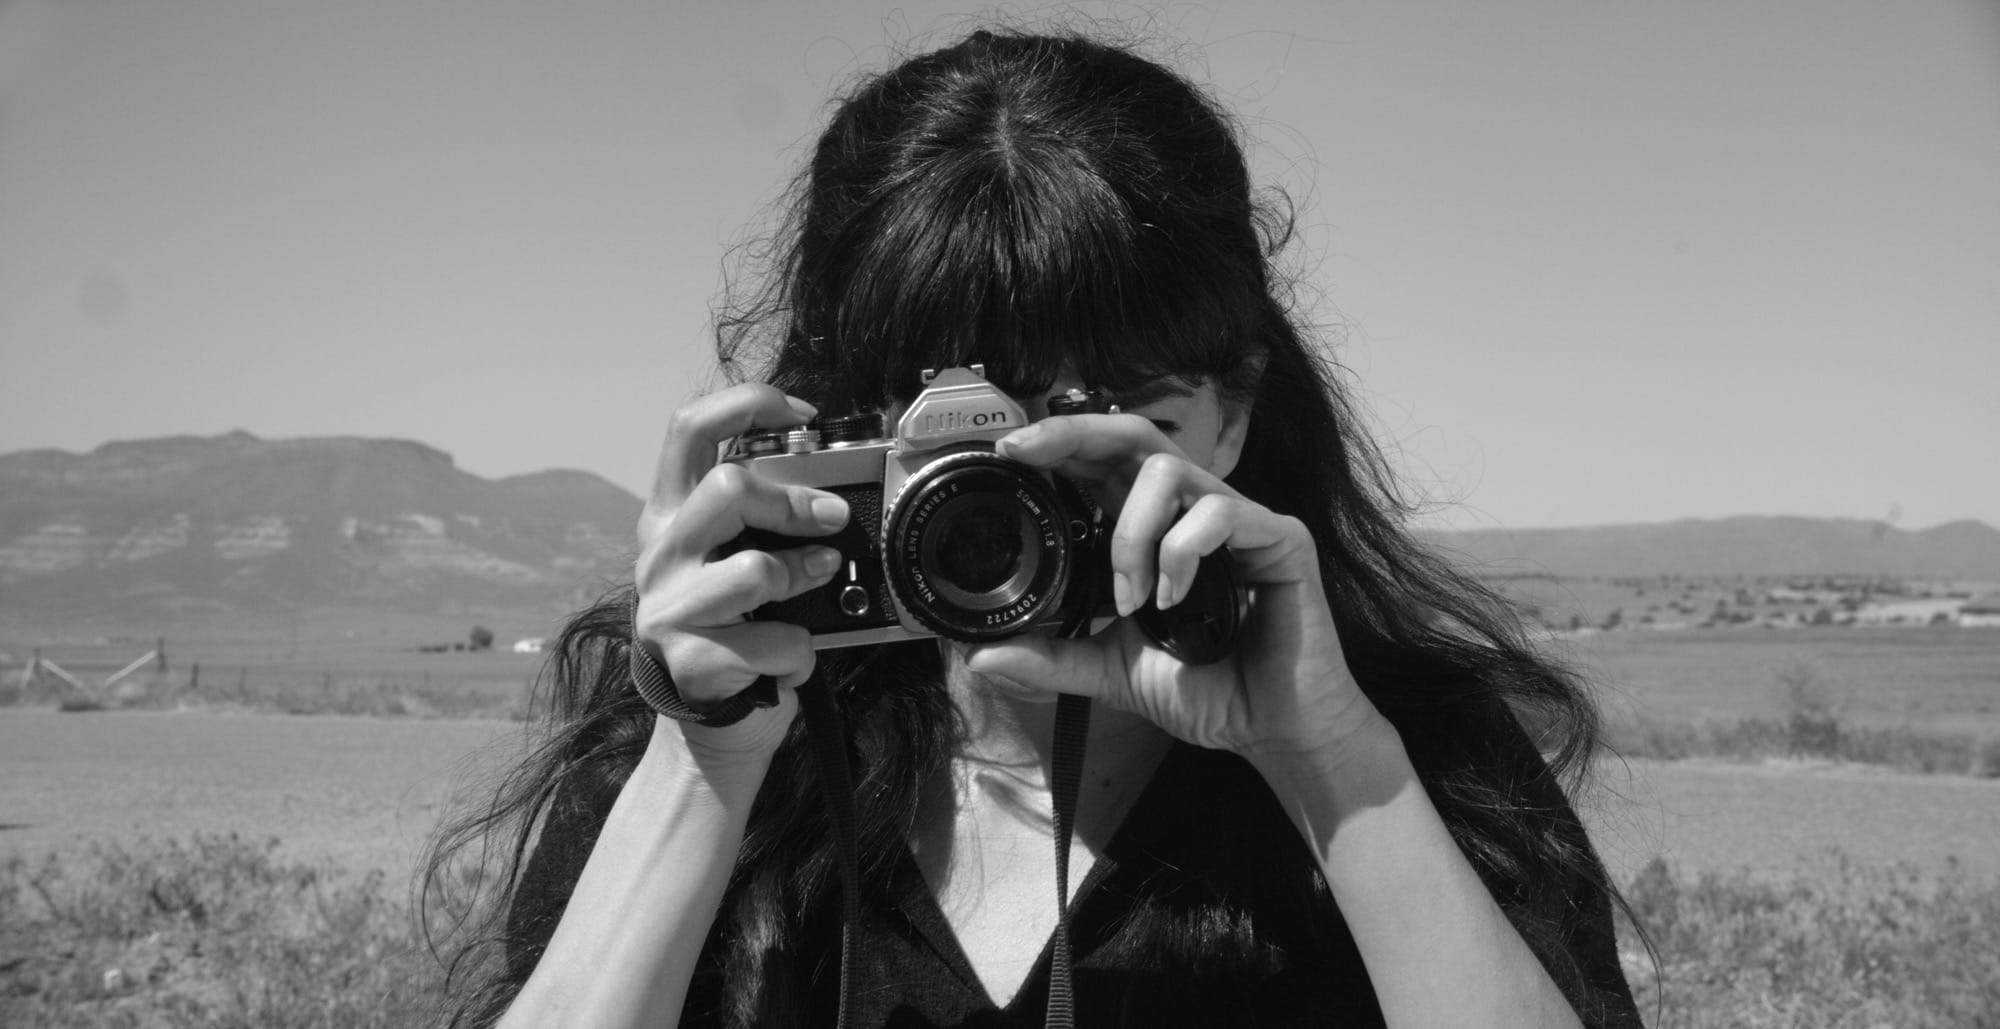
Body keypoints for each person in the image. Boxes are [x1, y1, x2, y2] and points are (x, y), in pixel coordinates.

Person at [424, 28, 1642, 1029]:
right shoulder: (725, 740)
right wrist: (702, 762)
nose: (1021, 503)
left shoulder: (1407, 757)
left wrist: (1331, 761)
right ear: (837, 442)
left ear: (1232, 419)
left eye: (1109, 427)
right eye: (961, 448)